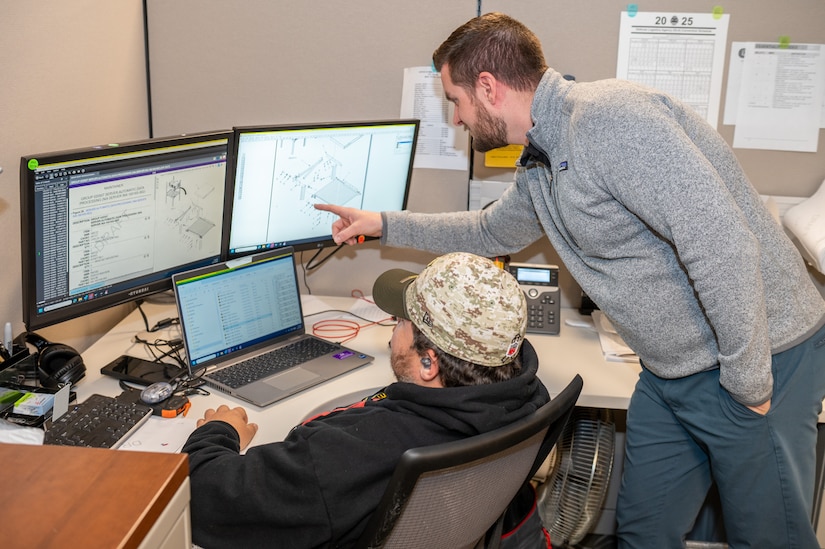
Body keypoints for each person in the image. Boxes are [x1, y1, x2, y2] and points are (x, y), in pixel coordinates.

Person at [315, 12, 825, 548]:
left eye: (455, 101)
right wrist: (383, 224)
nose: (457, 119)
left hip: (759, 357)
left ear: (487, 87)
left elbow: (723, 244)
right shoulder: (540, 159)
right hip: (670, 372)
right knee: (644, 533)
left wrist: (749, 386)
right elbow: (491, 229)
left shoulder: (611, 122)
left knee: (771, 538)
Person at [181, 252, 552, 548]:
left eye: (401, 321)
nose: (393, 329)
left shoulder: (344, 457)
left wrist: (219, 431)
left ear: (428, 362)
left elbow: (197, 496)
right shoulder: (529, 399)